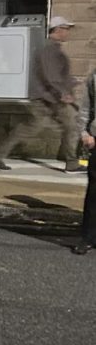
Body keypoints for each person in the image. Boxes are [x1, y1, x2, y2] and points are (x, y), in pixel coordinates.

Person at [0, 16, 82, 173]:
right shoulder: (49, 49)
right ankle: (71, 162)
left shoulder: (51, 48)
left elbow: (54, 74)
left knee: (38, 127)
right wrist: (64, 92)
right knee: (67, 126)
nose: (68, 33)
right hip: (49, 98)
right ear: (58, 30)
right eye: (66, 29)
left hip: (49, 97)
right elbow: (51, 76)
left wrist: (70, 82)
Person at [72, 64, 96, 255]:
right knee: (94, 193)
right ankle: (88, 237)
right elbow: (86, 107)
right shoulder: (94, 76)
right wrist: (84, 132)